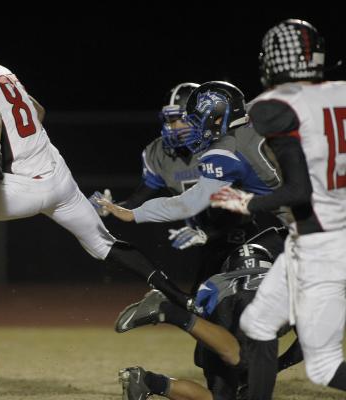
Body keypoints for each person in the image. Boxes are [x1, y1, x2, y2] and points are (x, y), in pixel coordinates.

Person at [0, 29, 193, 316]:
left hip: (22, 187)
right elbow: (38, 110)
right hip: (58, 176)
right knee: (104, 244)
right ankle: (181, 298)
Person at [211, 19, 346, 397]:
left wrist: (246, 201)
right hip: (319, 233)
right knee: (258, 324)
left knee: (323, 366)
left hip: (324, 240)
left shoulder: (277, 106)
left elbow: (299, 190)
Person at [92, 82, 282, 292]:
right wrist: (115, 207)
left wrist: (132, 214)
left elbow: (192, 203)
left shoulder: (222, 149)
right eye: (171, 121)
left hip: (244, 233)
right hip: (286, 219)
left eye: (185, 119)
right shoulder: (162, 153)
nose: (175, 127)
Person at [115, 228, 302, 400]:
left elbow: (203, 326)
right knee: (246, 364)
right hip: (252, 304)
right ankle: (167, 311)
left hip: (220, 305)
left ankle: (147, 381)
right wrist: (277, 366)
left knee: (223, 392)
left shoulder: (219, 279)